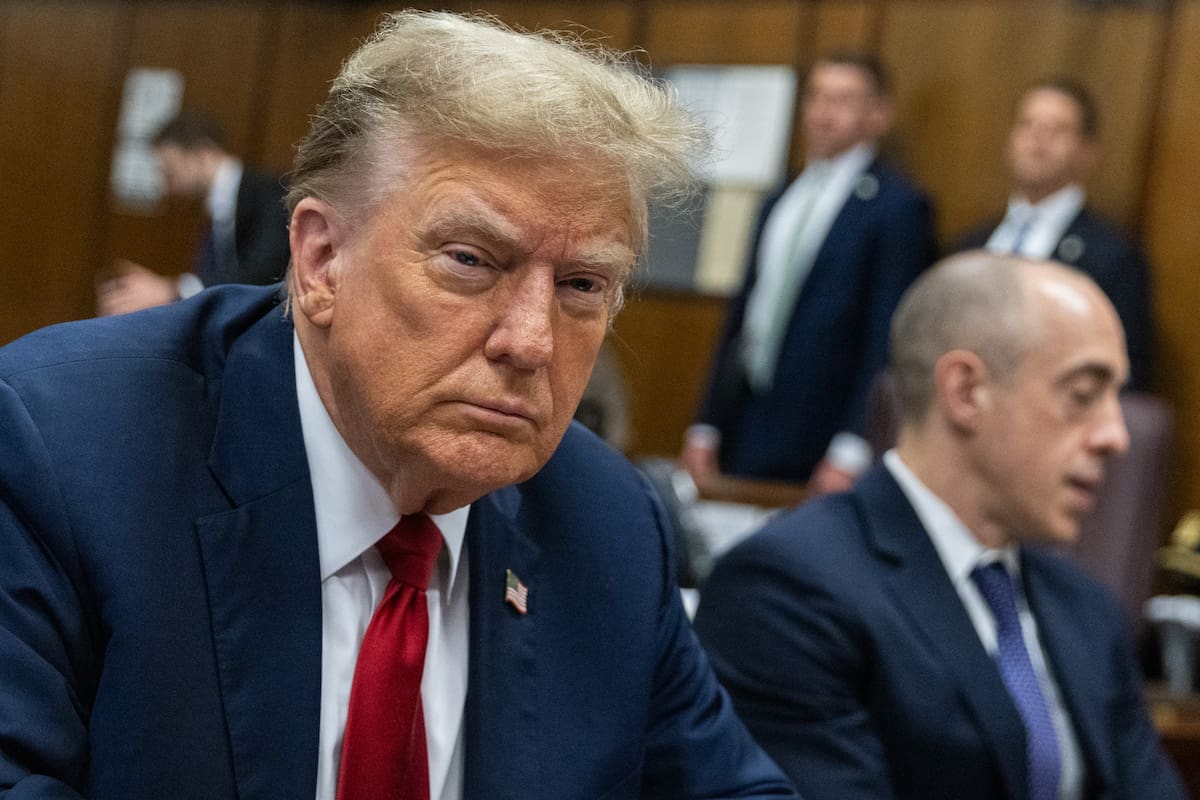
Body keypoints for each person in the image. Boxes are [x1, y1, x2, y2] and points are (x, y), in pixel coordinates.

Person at [0, 11, 798, 800]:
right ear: (320, 262)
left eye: (582, 286)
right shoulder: (65, 449)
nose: (532, 343)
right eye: (470, 261)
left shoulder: (609, 525)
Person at [694, 251, 1185, 799]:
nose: (1115, 436)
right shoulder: (789, 590)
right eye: (1083, 396)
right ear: (966, 391)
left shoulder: (1086, 610)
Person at [682, 51, 936, 493]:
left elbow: (886, 335)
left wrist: (853, 445)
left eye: (842, 100)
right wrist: (706, 424)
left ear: (877, 114)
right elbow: (744, 315)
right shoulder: (782, 196)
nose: (823, 112)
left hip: (824, 435)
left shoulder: (896, 209)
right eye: (817, 97)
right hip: (747, 421)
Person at [953, 78, 1155, 391]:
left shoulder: (1113, 258)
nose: (1038, 139)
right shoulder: (970, 245)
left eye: (1057, 130)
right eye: (1027, 125)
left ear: (1087, 152)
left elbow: (1121, 373)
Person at [95, 112, 291, 315]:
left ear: (203, 153)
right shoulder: (212, 206)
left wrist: (171, 290)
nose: (166, 187)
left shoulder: (272, 194)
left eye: (170, 171)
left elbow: (261, 275)